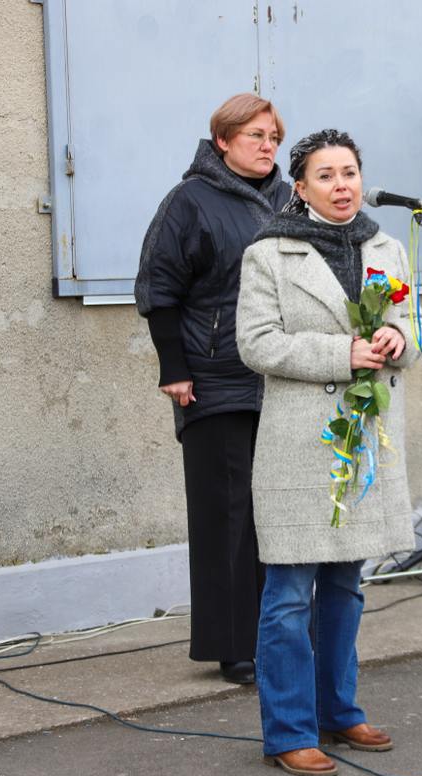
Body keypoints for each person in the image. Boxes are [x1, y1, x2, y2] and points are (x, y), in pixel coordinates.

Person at [236, 129, 422, 776]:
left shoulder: (386, 246)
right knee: (289, 593)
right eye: (327, 175)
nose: (342, 184)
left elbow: (407, 321)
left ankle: (338, 709)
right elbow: (256, 344)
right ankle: (289, 728)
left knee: (346, 585)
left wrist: (399, 342)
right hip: (299, 443)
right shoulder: (270, 253)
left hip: (363, 439)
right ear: (301, 187)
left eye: (350, 172)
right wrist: (340, 354)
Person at [134, 93, 291, 684]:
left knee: (276, 511)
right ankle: (235, 647)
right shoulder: (189, 202)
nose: (268, 145)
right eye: (255, 135)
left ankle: (279, 634)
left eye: (273, 136)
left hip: (281, 377)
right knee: (226, 514)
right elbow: (158, 288)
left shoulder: (290, 199)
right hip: (214, 379)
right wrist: (174, 368)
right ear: (222, 140)